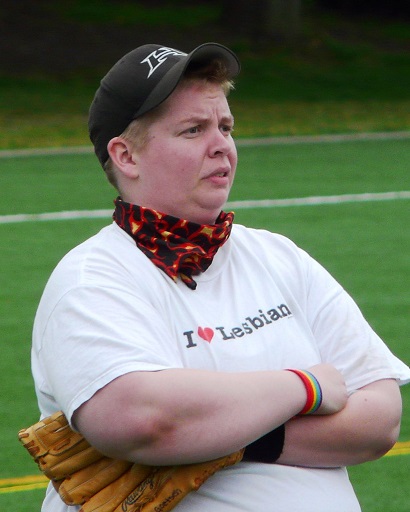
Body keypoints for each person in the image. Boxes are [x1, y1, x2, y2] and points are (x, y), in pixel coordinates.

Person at [31, 42, 410, 512]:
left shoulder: (278, 256)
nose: (221, 145)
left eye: (225, 127)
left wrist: (216, 438)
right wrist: (306, 387)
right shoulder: (92, 279)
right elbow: (145, 421)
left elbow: (379, 420)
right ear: (126, 156)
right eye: (193, 130)